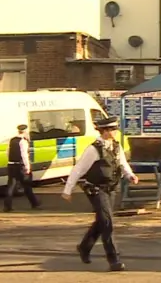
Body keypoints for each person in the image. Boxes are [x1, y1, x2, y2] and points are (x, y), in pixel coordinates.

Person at [61, 116, 139, 272]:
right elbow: (78, 169)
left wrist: (130, 175)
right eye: (113, 129)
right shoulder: (93, 149)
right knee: (108, 223)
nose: (116, 132)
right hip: (96, 189)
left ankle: (84, 247)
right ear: (105, 131)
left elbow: (122, 164)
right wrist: (67, 190)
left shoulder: (116, 146)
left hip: (110, 188)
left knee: (102, 221)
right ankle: (114, 259)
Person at [3, 124, 40, 212]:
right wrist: (27, 167)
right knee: (27, 185)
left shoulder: (11, 140)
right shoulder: (23, 141)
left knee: (11, 186)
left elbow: (7, 152)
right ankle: (34, 203)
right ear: (25, 131)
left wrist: (10, 161)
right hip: (20, 166)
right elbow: (24, 155)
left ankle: (7, 206)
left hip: (11, 165)